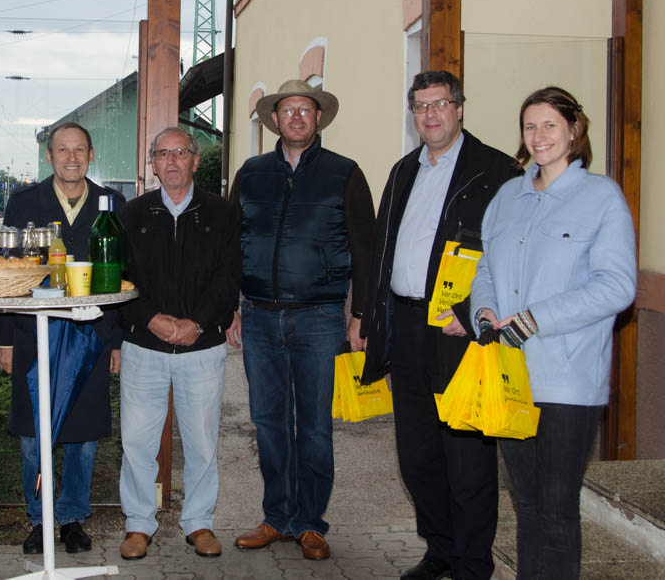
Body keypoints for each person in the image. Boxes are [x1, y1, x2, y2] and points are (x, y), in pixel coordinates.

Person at [471, 87, 636, 579]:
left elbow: (617, 286)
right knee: (527, 505)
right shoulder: (508, 196)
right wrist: (485, 313)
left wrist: (536, 319)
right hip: (510, 375)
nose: (538, 136)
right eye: (529, 126)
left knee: (558, 507)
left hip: (567, 379)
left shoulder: (600, 197)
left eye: (549, 125)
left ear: (573, 130)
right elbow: (485, 270)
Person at [360, 70, 518, 580]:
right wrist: (367, 315)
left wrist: (474, 313)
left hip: (457, 330)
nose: (431, 114)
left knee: (466, 457)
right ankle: (441, 551)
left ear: (460, 108)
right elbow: (383, 248)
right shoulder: (404, 170)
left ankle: (473, 564)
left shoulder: (494, 170)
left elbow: (510, 256)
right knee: (418, 455)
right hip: (405, 325)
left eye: (440, 104)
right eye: (421, 106)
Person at [226, 79, 375, 561]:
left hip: (320, 319)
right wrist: (231, 307)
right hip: (261, 318)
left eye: (304, 110)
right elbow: (230, 248)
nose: (295, 117)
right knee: (268, 422)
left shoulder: (344, 174)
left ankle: (310, 523)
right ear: (274, 120)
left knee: (314, 427)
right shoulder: (249, 174)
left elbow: (365, 250)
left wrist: (360, 317)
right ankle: (276, 517)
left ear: (317, 119)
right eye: (287, 110)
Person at [0, 122, 125, 554]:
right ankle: (38, 519)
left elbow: (126, 276)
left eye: (79, 150)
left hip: (91, 335)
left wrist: (117, 342)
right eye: (62, 150)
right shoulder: (23, 203)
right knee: (35, 432)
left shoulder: (113, 204)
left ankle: (71, 517)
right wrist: (6, 339)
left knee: (83, 435)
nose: (71, 157)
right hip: (34, 333)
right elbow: (6, 275)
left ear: (91, 154)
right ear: (48, 156)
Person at [116, 127, 240, 561]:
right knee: (136, 440)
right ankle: (137, 524)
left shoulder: (223, 213)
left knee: (203, 440)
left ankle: (199, 522)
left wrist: (197, 323)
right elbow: (118, 279)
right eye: (162, 154)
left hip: (201, 347)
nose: (171, 161)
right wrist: (151, 320)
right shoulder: (131, 214)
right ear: (152, 164)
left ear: (195, 159)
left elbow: (229, 278)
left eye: (180, 152)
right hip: (144, 346)